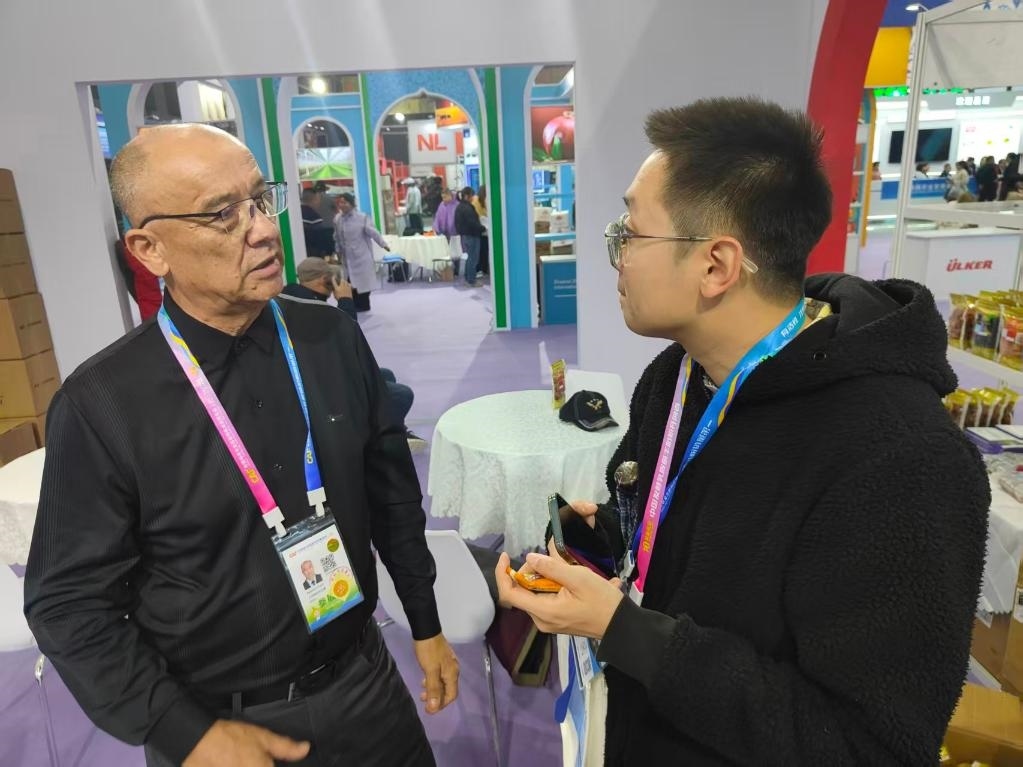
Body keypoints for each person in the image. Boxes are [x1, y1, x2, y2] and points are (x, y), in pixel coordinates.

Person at [494, 97, 988, 765]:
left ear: (716, 266)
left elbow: (868, 744)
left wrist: (628, 633)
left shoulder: (901, 459)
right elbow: (675, 533)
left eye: (630, 233)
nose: (616, 254)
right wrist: (605, 535)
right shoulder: (677, 375)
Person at [24, 124, 458, 767]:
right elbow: (67, 601)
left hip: (364, 680)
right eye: (222, 214)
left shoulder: (330, 337)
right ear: (150, 249)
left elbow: (390, 492)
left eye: (259, 199)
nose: (261, 229)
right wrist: (184, 733)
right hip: (222, 724)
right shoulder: (102, 404)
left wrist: (425, 621)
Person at [281, 257, 428, 453]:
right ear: (325, 279)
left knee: (385, 375)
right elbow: (347, 342)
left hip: (317, 373)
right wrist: (345, 301)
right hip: (321, 385)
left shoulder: (295, 297)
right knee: (402, 394)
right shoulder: (312, 307)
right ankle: (383, 439)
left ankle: (394, 429)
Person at [333, 192, 390, 312]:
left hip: (361, 255)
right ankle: (353, 304)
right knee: (349, 281)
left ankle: (364, 305)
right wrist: (337, 251)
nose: (342, 205)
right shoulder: (338, 219)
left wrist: (383, 244)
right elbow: (337, 237)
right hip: (347, 257)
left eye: (345, 202)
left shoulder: (362, 217)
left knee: (363, 282)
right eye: (340, 202)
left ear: (351, 203)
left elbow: (373, 232)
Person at [455, 186, 485, 287]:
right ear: (467, 196)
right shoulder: (468, 208)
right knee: (473, 258)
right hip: (472, 235)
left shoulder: (459, 207)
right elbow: (472, 223)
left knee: (469, 258)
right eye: (472, 196)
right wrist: (482, 228)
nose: (473, 198)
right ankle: (471, 280)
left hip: (465, 236)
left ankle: (468, 279)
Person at [432, 189, 461, 276]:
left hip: (455, 232)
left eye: (445, 197)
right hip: (443, 233)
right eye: (442, 197)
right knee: (446, 251)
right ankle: (447, 269)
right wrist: (436, 228)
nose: (443, 199)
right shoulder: (441, 205)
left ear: (450, 196)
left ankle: (456, 270)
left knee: (455, 251)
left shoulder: (456, 205)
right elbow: (438, 217)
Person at [300, 186, 335, 258]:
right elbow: (320, 239)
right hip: (313, 255)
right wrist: (328, 251)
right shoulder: (314, 218)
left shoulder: (296, 214)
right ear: (315, 199)